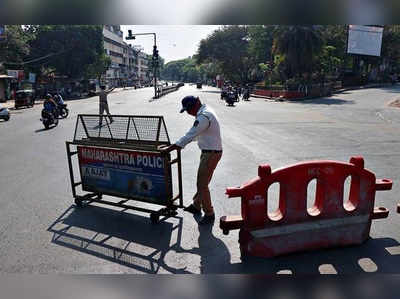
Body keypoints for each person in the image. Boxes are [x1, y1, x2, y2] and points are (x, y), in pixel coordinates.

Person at [159, 96, 223, 225]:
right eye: (187, 110)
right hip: (209, 151)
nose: (189, 112)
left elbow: (190, 135)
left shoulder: (203, 116)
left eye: (190, 109)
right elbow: (196, 135)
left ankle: (209, 213)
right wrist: (179, 144)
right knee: (202, 182)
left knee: (202, 184)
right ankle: (196, 205)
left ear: (197, 103)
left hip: (211, 153)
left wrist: (170, 148)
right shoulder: (206, 111)